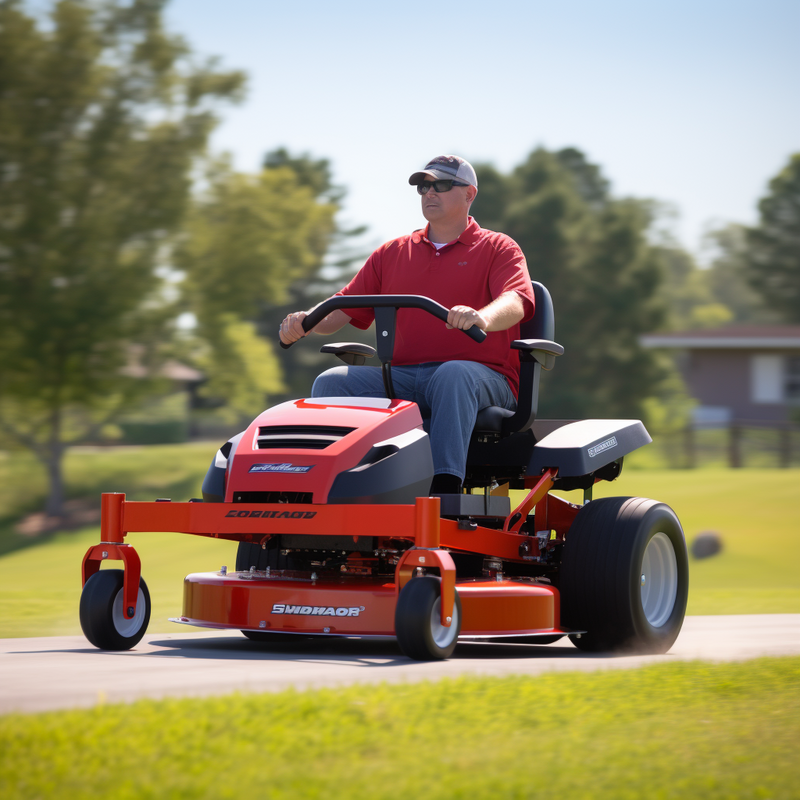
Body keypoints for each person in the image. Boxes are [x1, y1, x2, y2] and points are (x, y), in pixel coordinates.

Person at [279, 155, 535, 495]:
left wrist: (482, 317)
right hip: (402, 376)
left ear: (469, 194)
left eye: (442, 185)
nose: (430, 193)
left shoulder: (498, 247)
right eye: (424, 186)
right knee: (331, 383)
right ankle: (335, 487)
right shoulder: (393, 252)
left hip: (483, 378)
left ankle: (444, 490)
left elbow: (516, 301)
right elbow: (338, 312)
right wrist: (305, 322)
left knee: (453, 374)